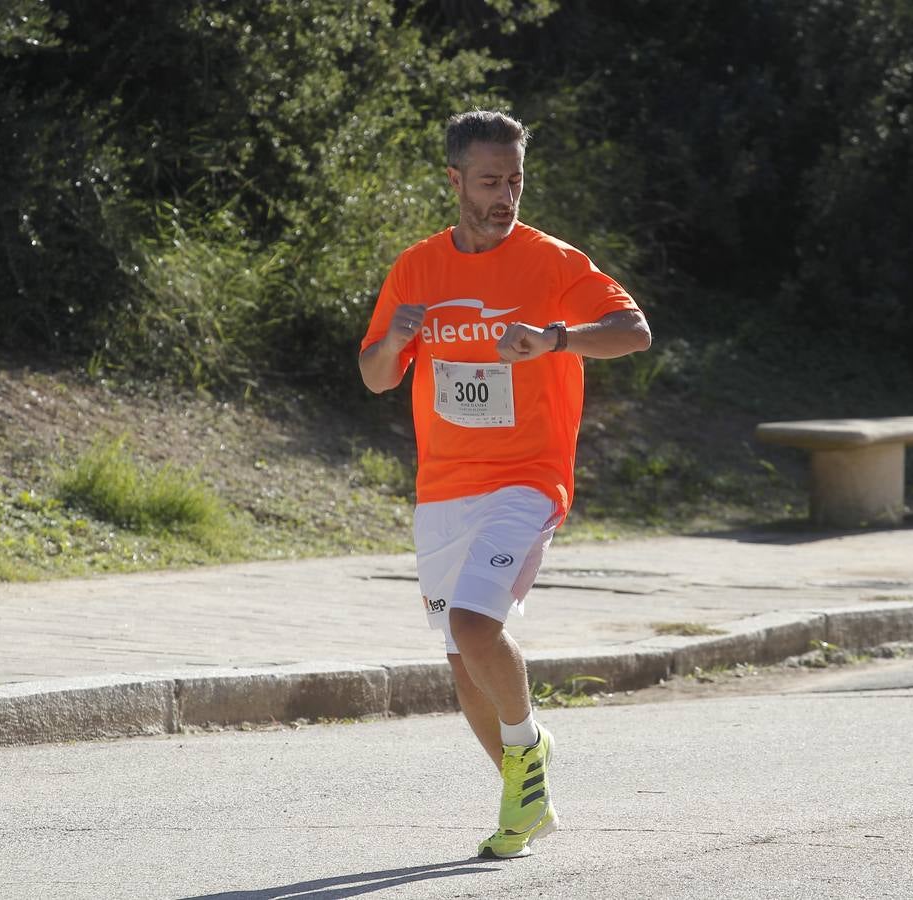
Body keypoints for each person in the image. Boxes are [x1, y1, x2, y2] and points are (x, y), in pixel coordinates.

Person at [358, 110, 651, 860]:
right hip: (444, 485)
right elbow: (375, 375)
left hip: (528, 479)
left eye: (515, 179)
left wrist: (556, 338)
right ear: (454, 180)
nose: (505, 195)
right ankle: (525, 792)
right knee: (461, 659)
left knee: (474, 626)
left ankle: (526, 746)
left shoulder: (550, 261)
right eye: (490, 180)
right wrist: (395, 338)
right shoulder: (418, 267)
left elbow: (632, 330)